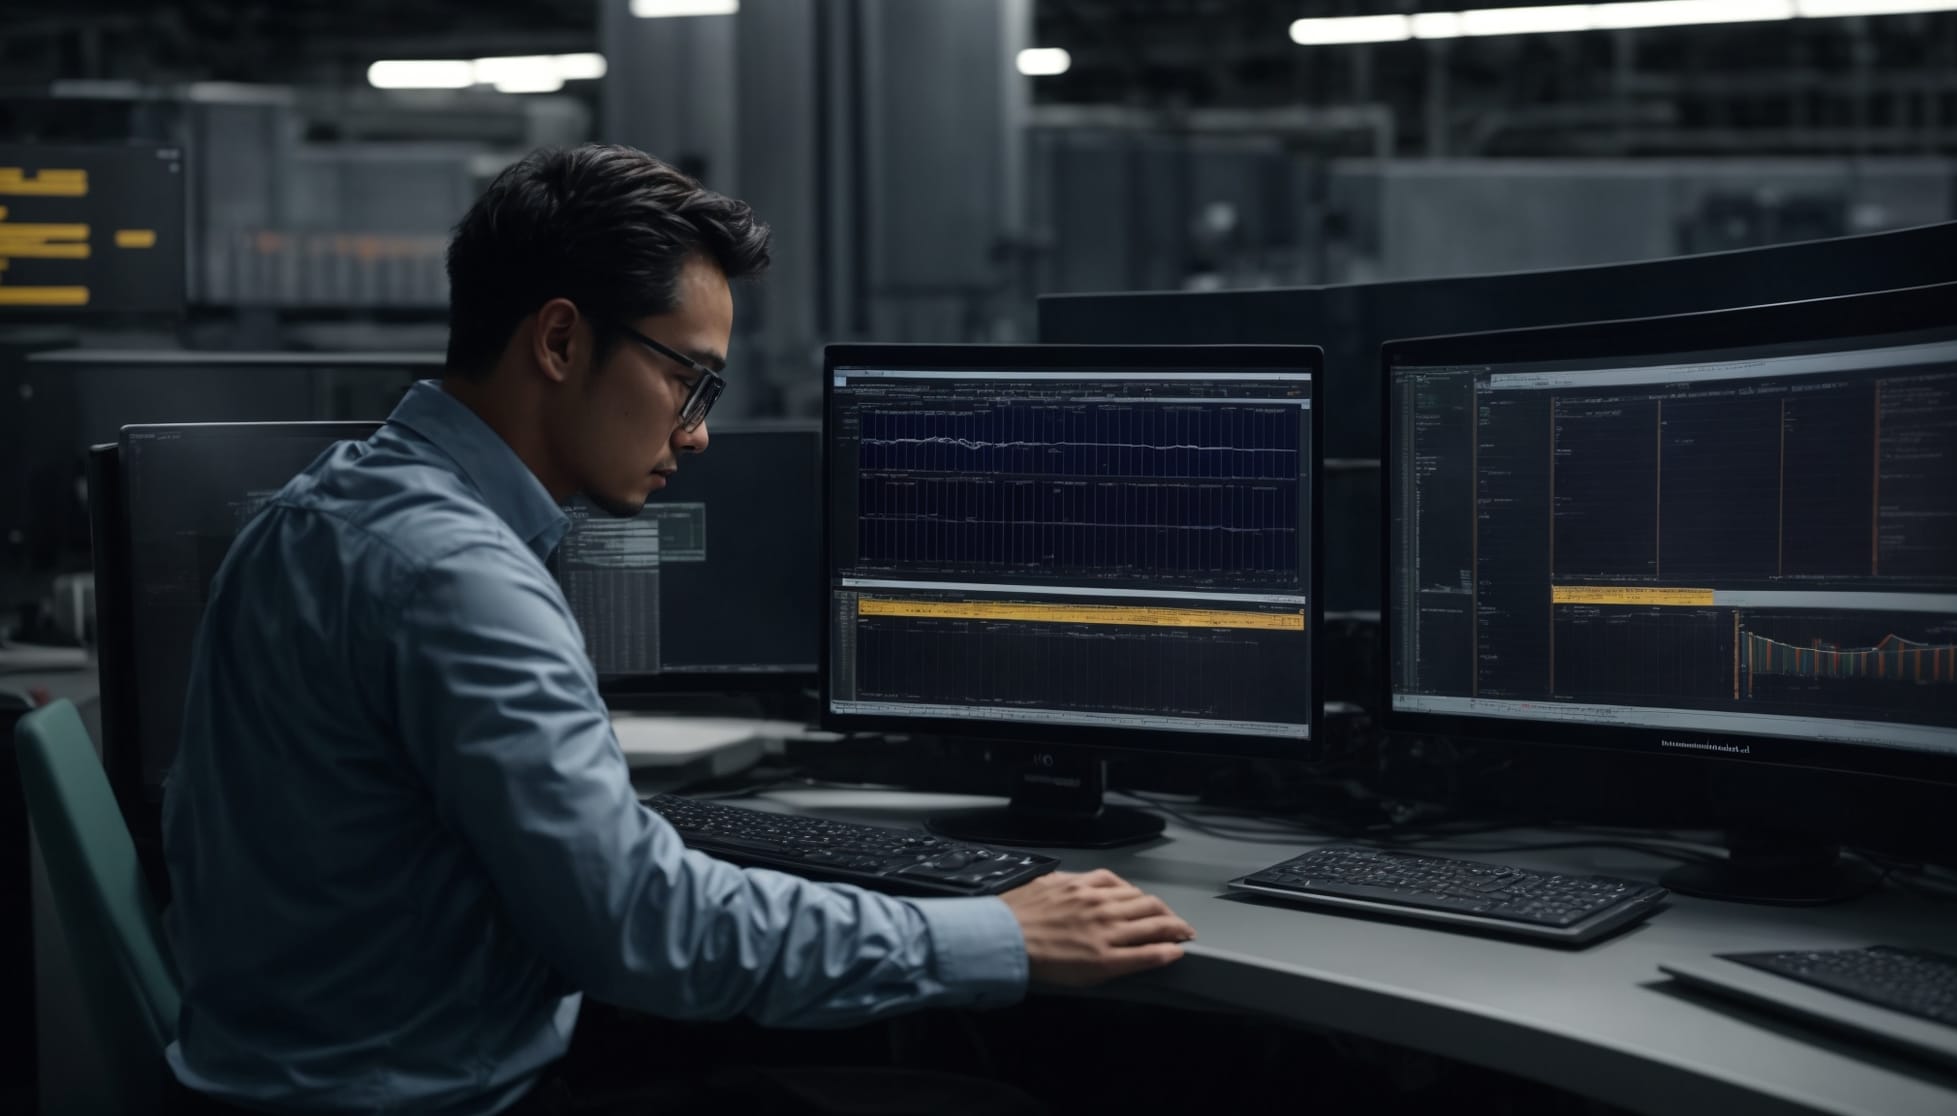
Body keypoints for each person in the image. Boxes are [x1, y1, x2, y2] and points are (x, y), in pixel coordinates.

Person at [161, 144, 1196, 1116]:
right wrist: (998, 932)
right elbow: (642, 928)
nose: (696, 431)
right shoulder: (456, 575)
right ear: (560, 340)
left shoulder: (316, 511)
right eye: (685, 378)